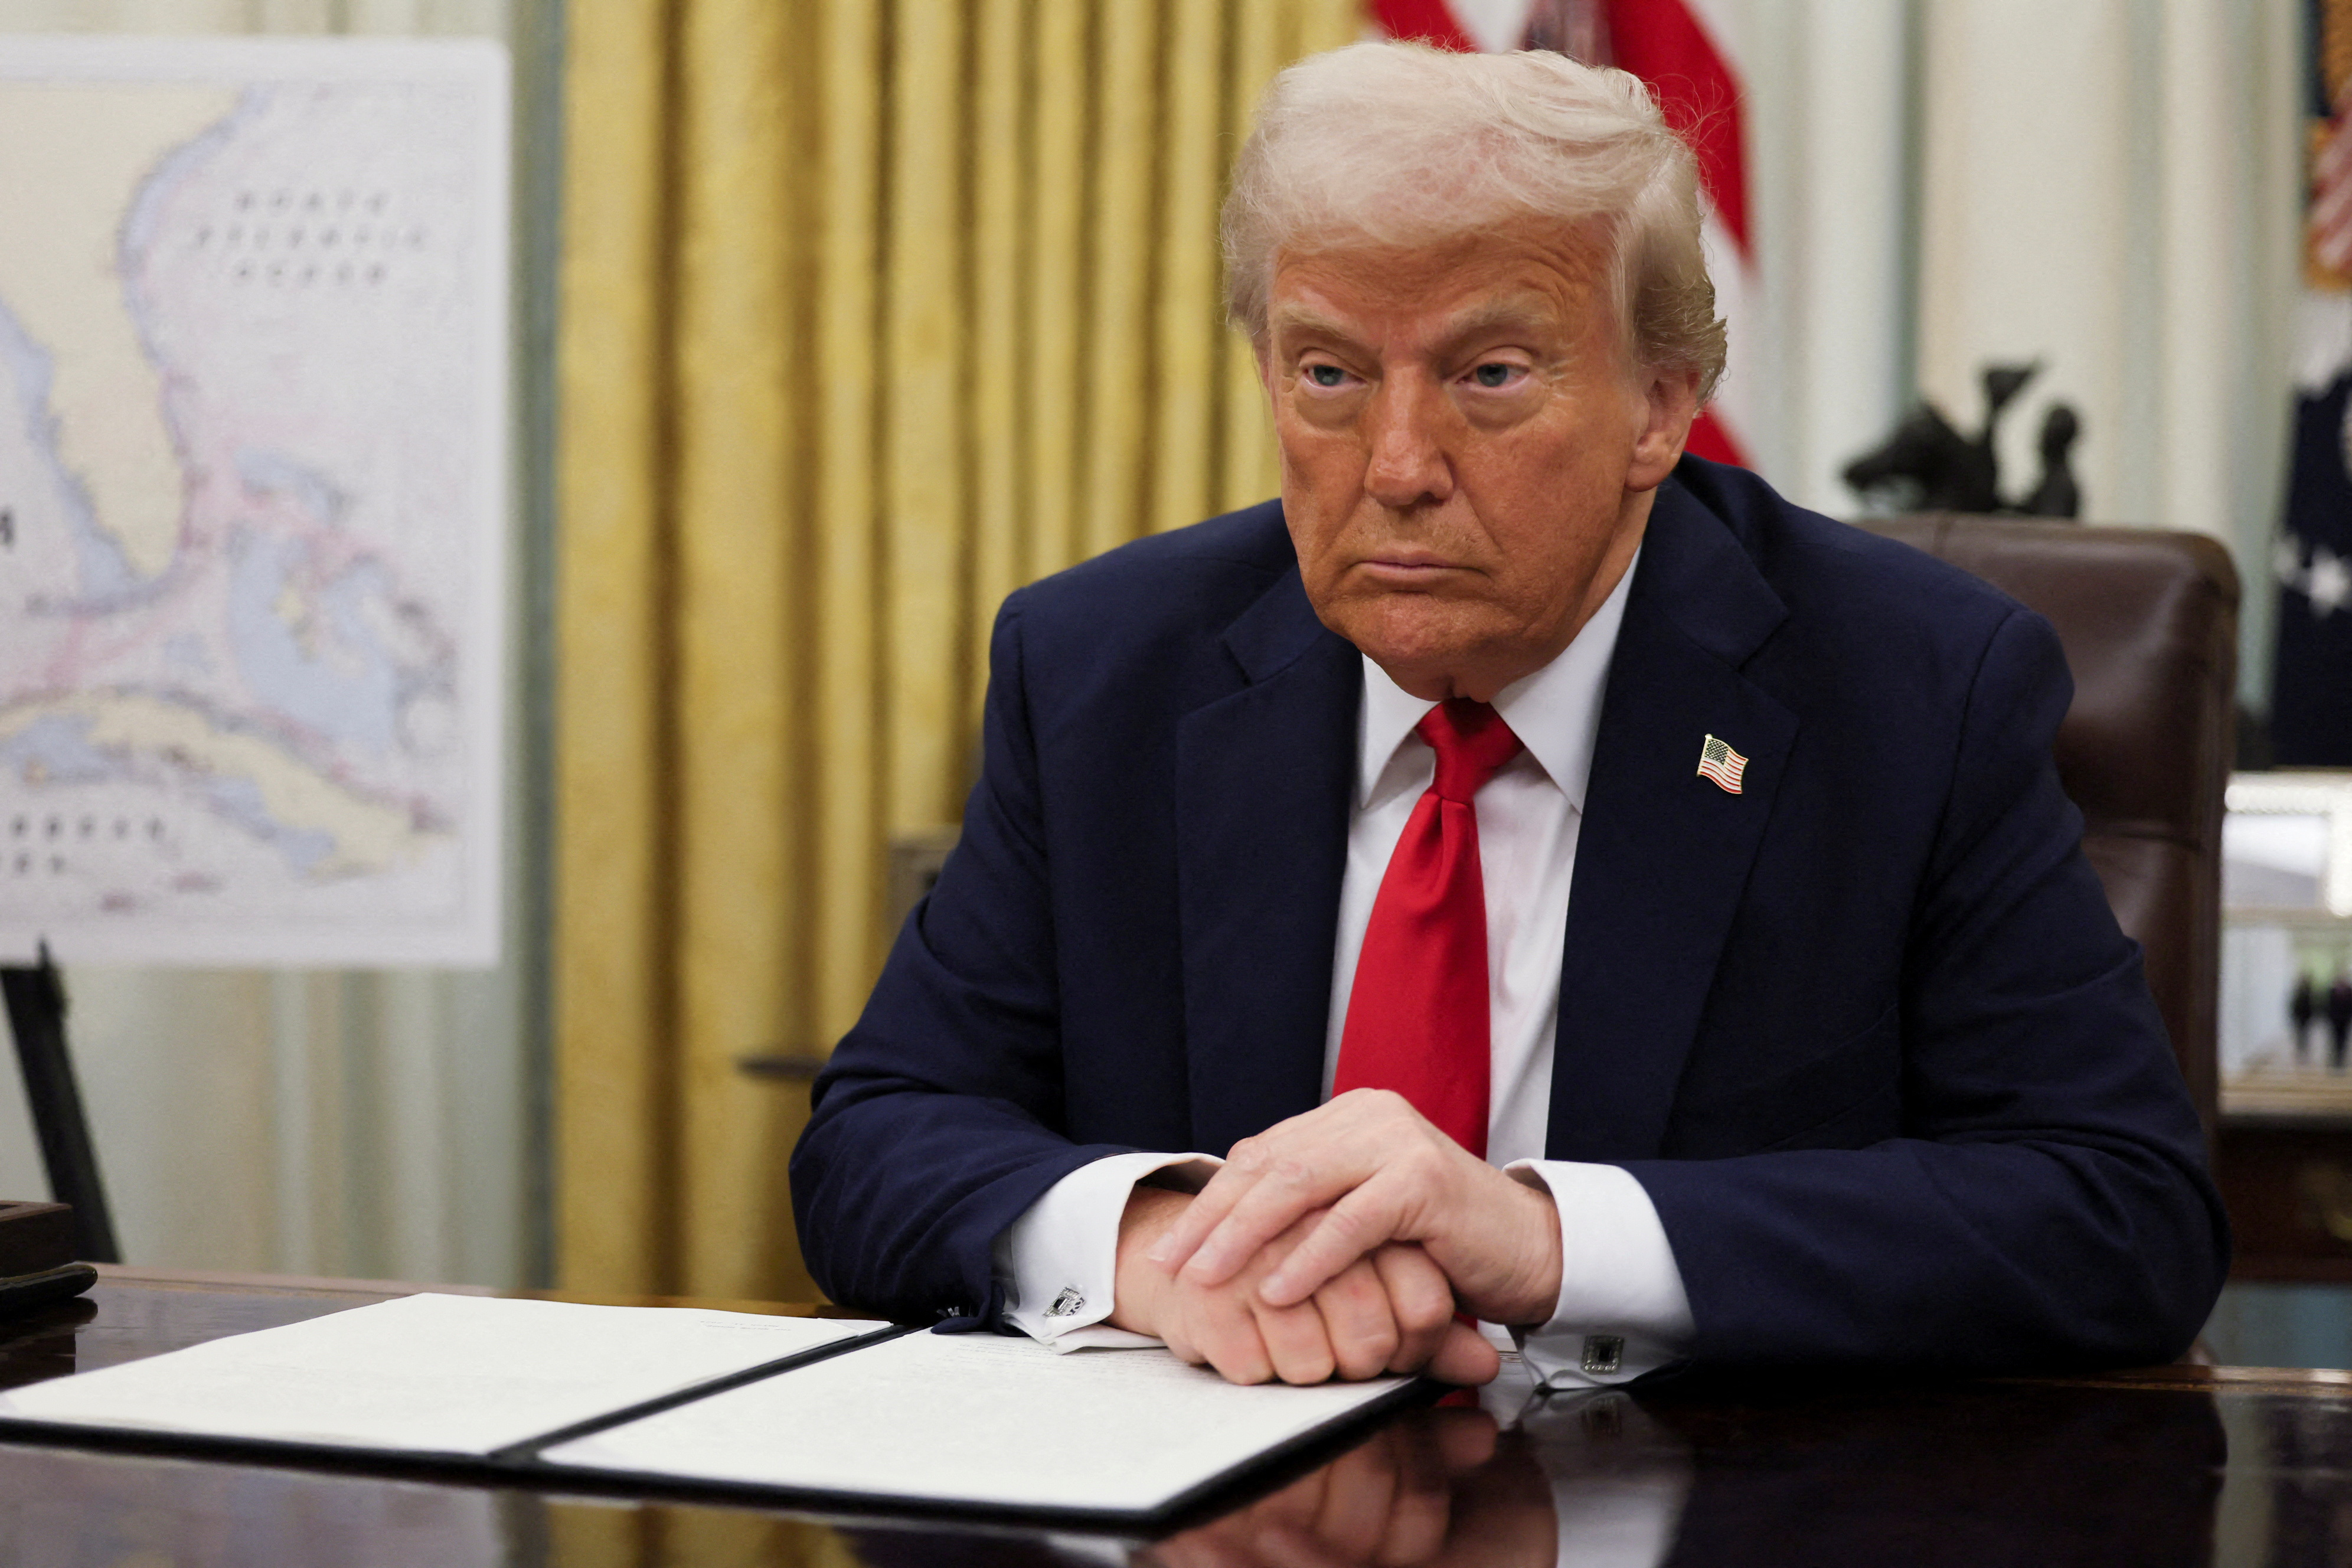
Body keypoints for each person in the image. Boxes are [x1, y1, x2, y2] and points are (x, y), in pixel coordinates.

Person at [790, 41, 2227, 1391]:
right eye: (1331, 374)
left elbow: (2117, 1208)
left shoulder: (1911, 687)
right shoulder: (1105, 668)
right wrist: (1159, 1245)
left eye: (1488, 375)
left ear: (1660, 407)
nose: (1398, 463)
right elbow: (876, 1138)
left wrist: (1546, 1238)